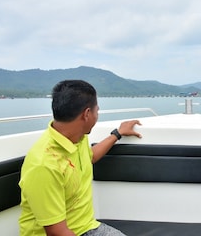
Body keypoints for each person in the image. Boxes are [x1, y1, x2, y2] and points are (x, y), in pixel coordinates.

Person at [18, 80, 142, 236]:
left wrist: (117, 134)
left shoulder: (76, 137)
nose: (98, 115)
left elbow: (89, 157)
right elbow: (57, 232)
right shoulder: (44, 165)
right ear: (87, 114)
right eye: (97, 111)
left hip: (86, 226)